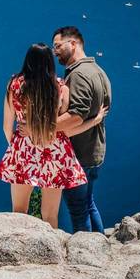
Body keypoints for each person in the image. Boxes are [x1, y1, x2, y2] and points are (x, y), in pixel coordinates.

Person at [0, 43, 107, 228]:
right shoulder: (60, 87)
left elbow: (7, 126)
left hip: (23, 151)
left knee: (19, 211)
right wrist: (94, 121)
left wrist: (15, 148)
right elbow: (63, 126)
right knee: (50, 216)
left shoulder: (13, 84)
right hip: (54, 154)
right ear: (49, 62)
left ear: (27, 60)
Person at [53, 25, 112, 233]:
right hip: (95, 152)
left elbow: (76, 116)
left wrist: (46, 129)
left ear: (73, 43)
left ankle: (87, 255)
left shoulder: (79, 74)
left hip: (78, 155)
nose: (55, 51)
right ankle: (100, 245)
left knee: (78, 209)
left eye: (58, 46)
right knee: (88, 203)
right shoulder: (99, 71)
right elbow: (105, 107)